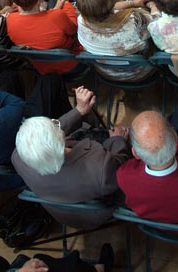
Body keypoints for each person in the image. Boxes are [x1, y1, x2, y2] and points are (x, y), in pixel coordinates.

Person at [12, 86, 129, 229]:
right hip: (94, 215)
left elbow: (48, 140)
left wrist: (78, 111)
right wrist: (117, 140)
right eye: (54, 124)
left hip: (63, 214)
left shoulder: (18, 158)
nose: (57, 124)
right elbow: (121, 164)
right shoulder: (101, 167)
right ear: (61, 139)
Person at [76, 0, 154, 81]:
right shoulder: (136, 21)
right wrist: (153, 6)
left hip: (106, 72)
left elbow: (102, 9)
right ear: (113, 0)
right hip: (139, 72)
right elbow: (157, 26)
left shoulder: (81, 21)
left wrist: (133, 3)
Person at [6, 0, 81, 75]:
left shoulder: (10, 20)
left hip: (42, 68)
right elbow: (73, 28)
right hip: (70, 64)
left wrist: (58, 7)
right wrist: (67, 4)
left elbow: (42, 22)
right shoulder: (56, 16)